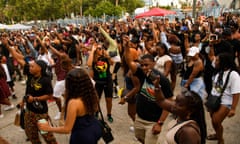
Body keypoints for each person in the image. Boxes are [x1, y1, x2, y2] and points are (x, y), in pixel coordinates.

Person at [2, 37, 57, 144]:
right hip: (29, 112)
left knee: (48, 137)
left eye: (32, 66)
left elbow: (49, 96)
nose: (29, 67)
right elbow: (19, 59)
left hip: (41, 114)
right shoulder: (31, 75)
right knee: (32, 136)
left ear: (40, 68)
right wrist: (8, 47)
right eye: (30, 66)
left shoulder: (45, 80)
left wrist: (35, 98)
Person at [124, 35, 173, 143]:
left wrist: (160, 123)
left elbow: (169, 102)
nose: (144, 68)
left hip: (153, 122)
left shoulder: (163, 80)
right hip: (140, 118)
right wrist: (127, 47)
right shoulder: (142, 74)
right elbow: (129, 62)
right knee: (141, 139)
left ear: (154, 64)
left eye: (147, 65)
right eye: (142, 65)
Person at [38, 68, 102, 144]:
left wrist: (48, 128)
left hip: (82, 136)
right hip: (95, 128)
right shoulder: (91, 94)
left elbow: (67, 129)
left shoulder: (74, 103)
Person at [154, 79, 207, 144]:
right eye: (175, 101)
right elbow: (161, 101)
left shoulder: (189, 132)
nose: (173, 105)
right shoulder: (180, 112)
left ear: (190, 111)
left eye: (179, 104)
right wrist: (157, 87)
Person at [207, 53, 240, 144]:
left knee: (216, 120)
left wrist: (233, 109)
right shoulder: (219, 71)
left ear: (224, 62)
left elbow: (236, 93)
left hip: (226, 101)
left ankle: (221, 140)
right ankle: (218, 134)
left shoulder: (234, 75)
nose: (215, 62)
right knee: (214, 122)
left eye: (217, 60)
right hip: (215, 100)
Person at [87, 43, 114, 123]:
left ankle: (109, 114)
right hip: (98, 82)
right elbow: (89, 64)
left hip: (108, 81)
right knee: (97, 99)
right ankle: (96, 112)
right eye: (99, 49)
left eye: (101, 48)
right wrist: (92, 51)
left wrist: (107, 56)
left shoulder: (105, 58)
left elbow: (112, 63)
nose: (101, 50)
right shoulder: (93, 59)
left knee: (109, 99)